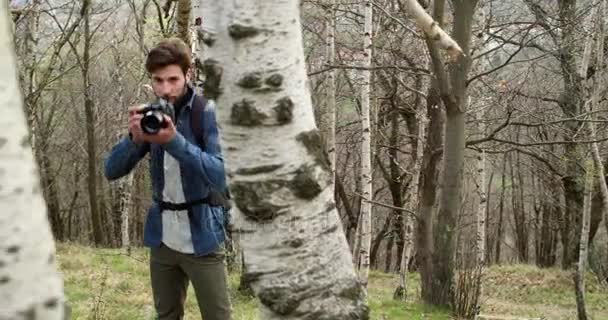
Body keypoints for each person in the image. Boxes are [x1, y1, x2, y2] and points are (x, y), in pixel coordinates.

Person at [104, 37, 232, 320]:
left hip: (203, 236)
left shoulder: (207, 112)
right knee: (166, 315)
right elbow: (111, 170)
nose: (165, 89)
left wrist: (174, 141)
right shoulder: (152, 114)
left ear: (188, 75)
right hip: (162, 238)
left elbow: (221, 176)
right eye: (158, 80)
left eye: (173, 79)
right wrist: (134, 139)